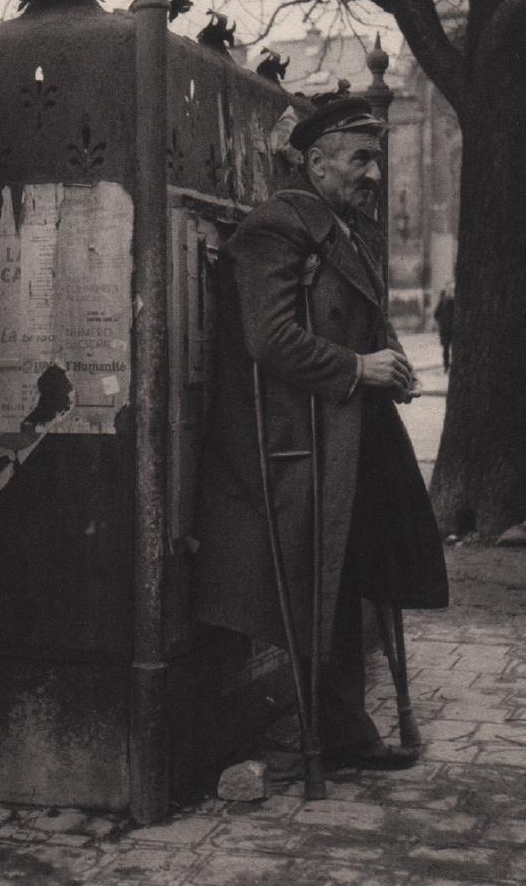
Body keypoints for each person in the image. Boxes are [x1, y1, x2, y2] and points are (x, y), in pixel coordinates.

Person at [194, 95, 448, 771]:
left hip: (349, 430)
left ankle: (343, 731)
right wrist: (359, 368)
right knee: (313, 579)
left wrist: (392, 364)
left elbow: (367, 318)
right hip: (294, 440)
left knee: (357, 569)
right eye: (362, 159)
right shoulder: (277, 228)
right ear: (316, 161)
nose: (374, 174)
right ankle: (320, 734)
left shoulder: (349, 229)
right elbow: (269, 337)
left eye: (376, 159)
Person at [434, 281, 455, 373]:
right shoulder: (454, 302)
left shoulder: (442, 301)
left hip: (445, 329)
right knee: (451, 349)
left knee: (446, 349)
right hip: (451, 329)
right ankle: (449, 367)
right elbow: (436, 314)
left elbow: (436, 315)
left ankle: (447, 367)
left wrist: (441, 322)